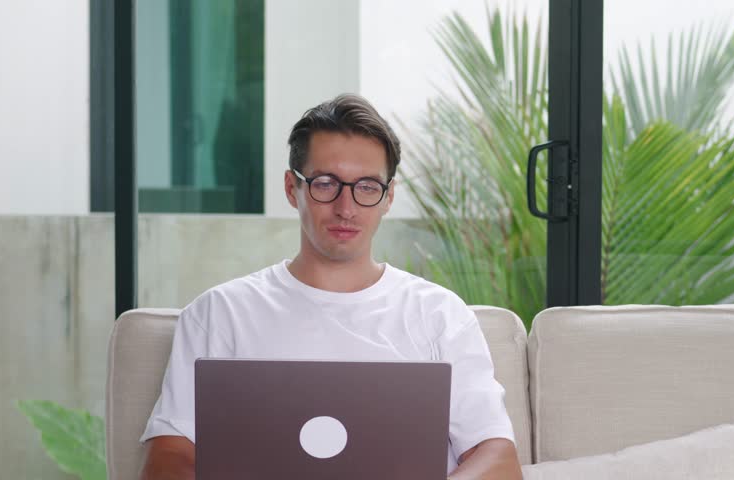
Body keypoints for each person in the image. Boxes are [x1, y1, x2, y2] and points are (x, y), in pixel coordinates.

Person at [139, 94, 523, 480]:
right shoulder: (220, 313)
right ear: (293, 189)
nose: (346, 208)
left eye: (368, 186)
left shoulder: (440, 314)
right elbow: (168, 457)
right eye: (325, 183)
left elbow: (498, 459)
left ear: (388, 196)